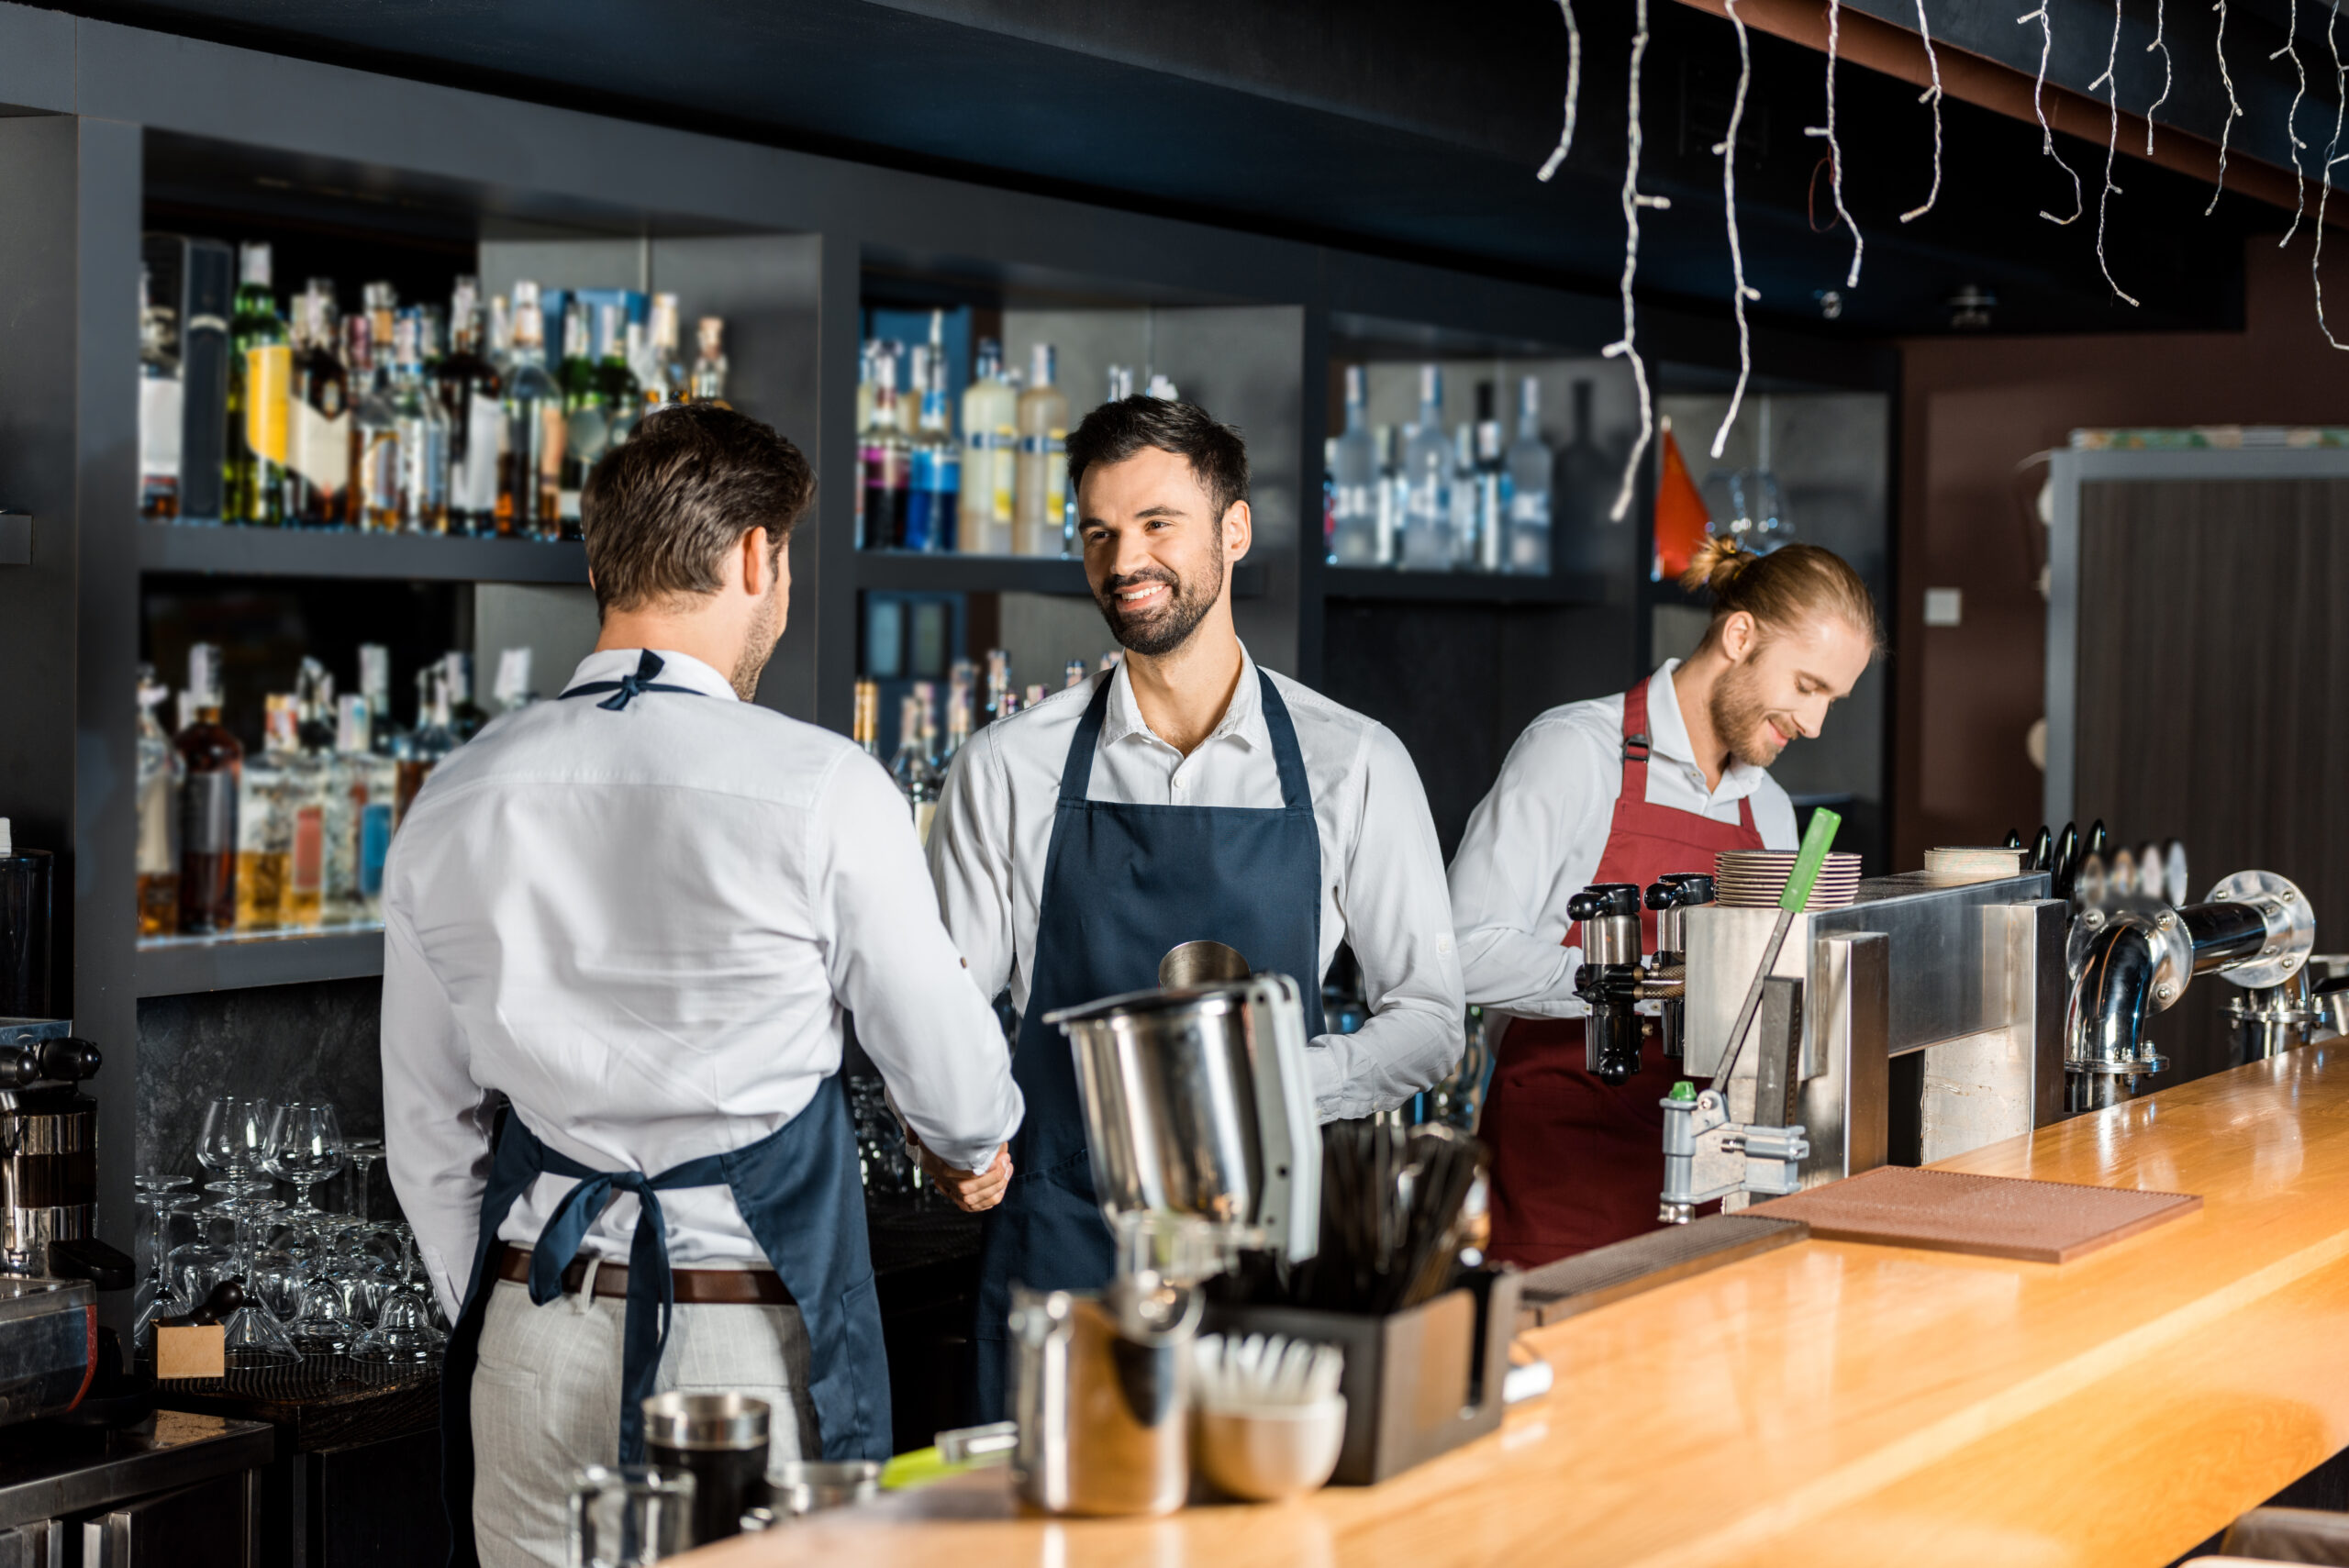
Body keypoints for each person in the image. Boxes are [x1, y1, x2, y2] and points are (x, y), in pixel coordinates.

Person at [382, 404, 1022, 1568]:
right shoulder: (821, 784)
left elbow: (428, 1125)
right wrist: (972, 1148)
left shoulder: (457, 794)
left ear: (598, 565)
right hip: (742, 1350)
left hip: (529, 1337)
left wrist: (508, 1303)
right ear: (753, 556)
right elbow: (957, 1087)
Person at [927, 395, 1464, 1417]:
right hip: (1064, 1245)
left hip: (1271, 1257)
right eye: (1098, 531)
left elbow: (1431, 1020)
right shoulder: (1008, 767)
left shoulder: (1353, 761)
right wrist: (950, 1136)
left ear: (1234, 528)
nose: (1123, 558)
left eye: (1156, 523)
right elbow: (951, 1007)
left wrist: (1272, 1090)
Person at [1449, 538, 1878, 1266]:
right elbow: (1461, 950)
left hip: (1707, 1198)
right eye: (1807, 686)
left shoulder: (1771, 810)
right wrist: (1652, 982)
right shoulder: (1575, 753)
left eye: (1832, 700)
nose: (1815, 724)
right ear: (1740, 636)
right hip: (1562, 1190)